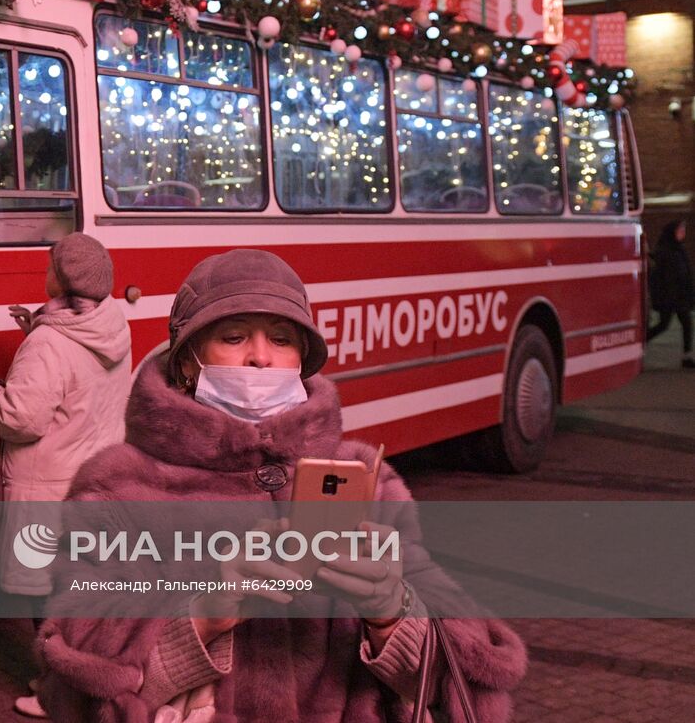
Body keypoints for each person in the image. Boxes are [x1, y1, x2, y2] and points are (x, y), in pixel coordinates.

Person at [33, 250, 527, 722]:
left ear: (302, 360)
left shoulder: (363, 481)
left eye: (281, 338)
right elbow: (74, 682)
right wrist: (203, 617)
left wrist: (390, 616)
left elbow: (467, 675)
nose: (260, 357)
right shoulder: (118, 488)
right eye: (232, 336)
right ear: (188, 361)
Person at [0, 233, 134, 718]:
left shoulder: (48, 343)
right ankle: (72, 682)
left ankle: (58, 694)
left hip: (46, 489)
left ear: (61, 279)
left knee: (44, 599)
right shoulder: (112, 325)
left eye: (51, 266)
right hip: (94, 481)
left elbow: (22, 419)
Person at [647, 219, 695, 369]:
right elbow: (665, 276)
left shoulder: (678, 249)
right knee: (664, 325)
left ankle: (687, 356)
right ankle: (638, 342)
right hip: (670, 296)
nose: (683, 233)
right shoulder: (666, 251)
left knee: (684, 323)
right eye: (680, 230)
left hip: (679, 295)